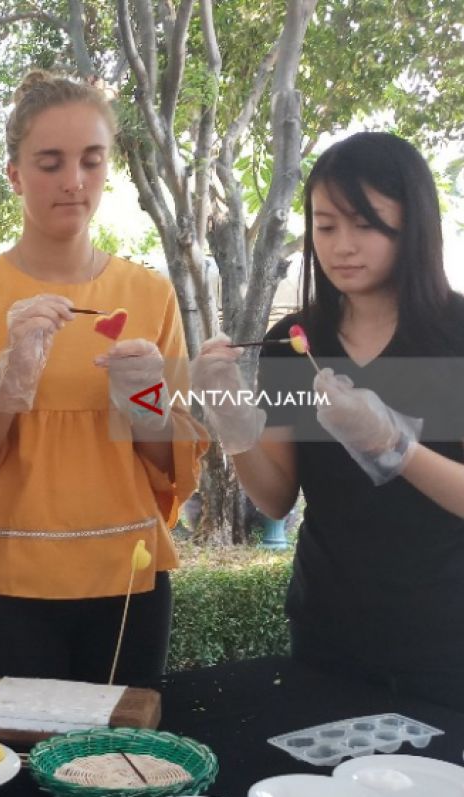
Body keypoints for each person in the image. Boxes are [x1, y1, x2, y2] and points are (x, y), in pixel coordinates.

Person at [0, 70, 207, 700]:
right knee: (4, 777)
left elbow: (172, 465)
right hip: (2, 589)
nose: (73, 181)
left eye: (90, 161)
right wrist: (6, 388)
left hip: (125, 582)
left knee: (116, 776)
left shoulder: (149, 296)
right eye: (50, 163)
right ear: (15, 173)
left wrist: (148, 401)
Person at [193, 131, 464, 712]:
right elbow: (275, 498)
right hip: (328, 633)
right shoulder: (296, 343)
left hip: (446, 641)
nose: (342, 246)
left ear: (412, 225)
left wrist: (394, 446)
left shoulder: (456, 336)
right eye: (325, 225)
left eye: (366, 224)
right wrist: (231, 419)